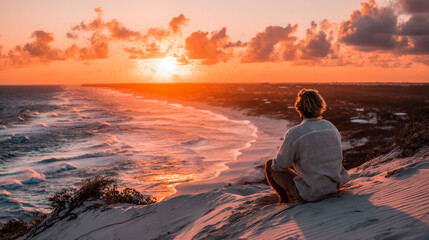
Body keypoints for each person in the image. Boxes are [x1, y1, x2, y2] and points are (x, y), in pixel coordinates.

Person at [265, 89, 350, 203]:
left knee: (270, 165)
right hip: (334, 187)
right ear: (320, 106)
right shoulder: (331, 127)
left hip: (312, 193)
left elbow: (280, 166)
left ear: (299, 108)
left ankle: (284, 201)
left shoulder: (295, 133)